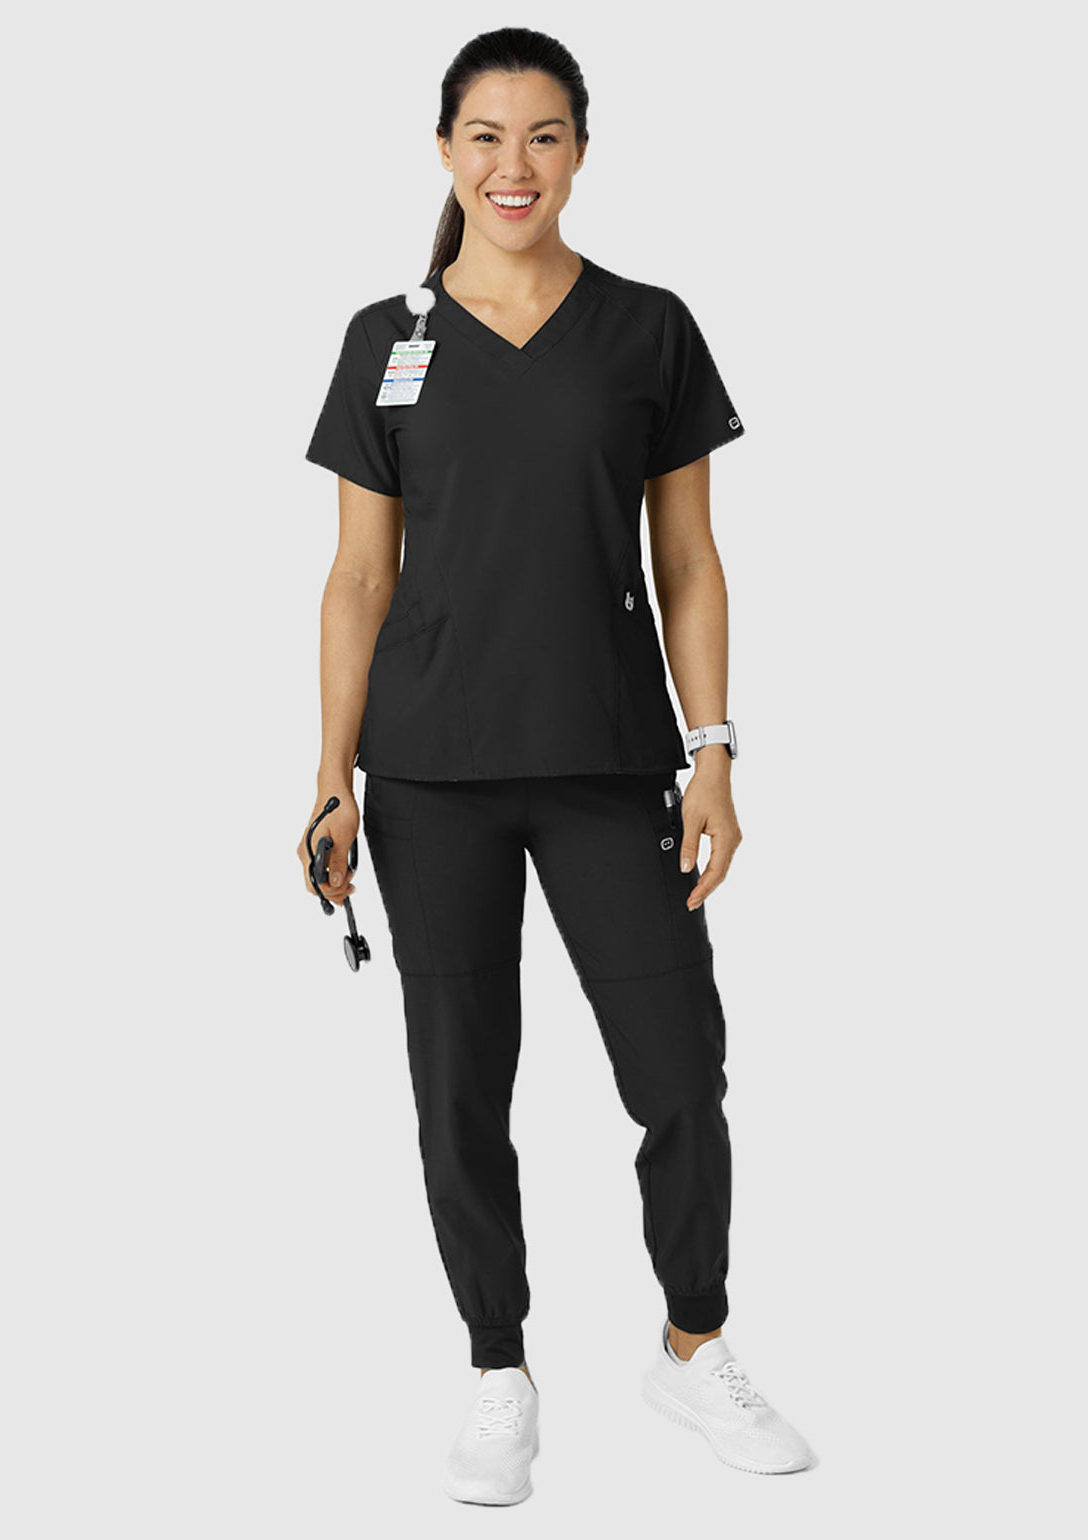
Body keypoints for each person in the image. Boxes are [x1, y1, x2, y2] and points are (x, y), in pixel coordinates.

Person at [298, 25, 814, 1502]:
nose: (512, 165)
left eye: (542, 136)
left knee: (681, 1069)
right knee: (461, 1083)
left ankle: (692, 1343)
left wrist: (713, 755)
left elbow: (689, 560)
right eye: (486, 135)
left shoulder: (648, 327)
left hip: (609, 760)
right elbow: (358, 579)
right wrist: (330, 777)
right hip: (432, 773)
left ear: (581, 151)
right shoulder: (383, 338)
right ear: (444, 151)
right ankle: (497, 1368)